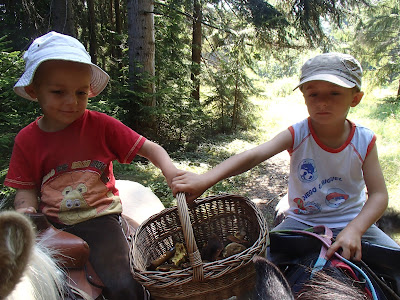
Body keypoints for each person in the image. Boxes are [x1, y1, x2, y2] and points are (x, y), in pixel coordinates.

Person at [172, 52, 400, 261]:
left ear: (355, 98)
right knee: (253, 269)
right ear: (304, 96)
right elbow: (254, 155)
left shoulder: (365, 140)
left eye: (334, 93)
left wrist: (356, 229)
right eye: (313, 93)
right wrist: (206, 179)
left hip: (353, 222)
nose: (322, 102)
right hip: (300, 223)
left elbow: (379, 194)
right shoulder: (298, 134)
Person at [4, 31, 179, 300]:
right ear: (33, 90)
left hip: (100, 219)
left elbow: (150, 148)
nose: (72, 101)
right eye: (58, 92)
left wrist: (171, 171)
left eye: (80, 92)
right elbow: (26, 188)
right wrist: (25, 209)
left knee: (123, 284)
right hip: (52, 224)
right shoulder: (27, 140)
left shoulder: (101, 126)